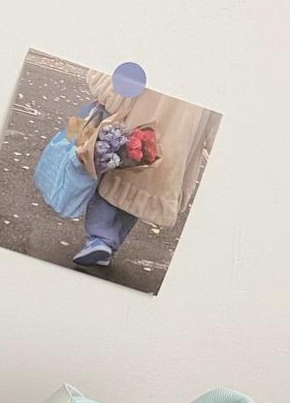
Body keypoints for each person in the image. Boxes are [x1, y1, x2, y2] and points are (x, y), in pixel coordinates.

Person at [72, 69, 213, 268]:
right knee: (145, 188)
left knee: (117, 169)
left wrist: (112, 92)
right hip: (181, 137)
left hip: (143, 111)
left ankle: (100, 238)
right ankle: (107, 244)